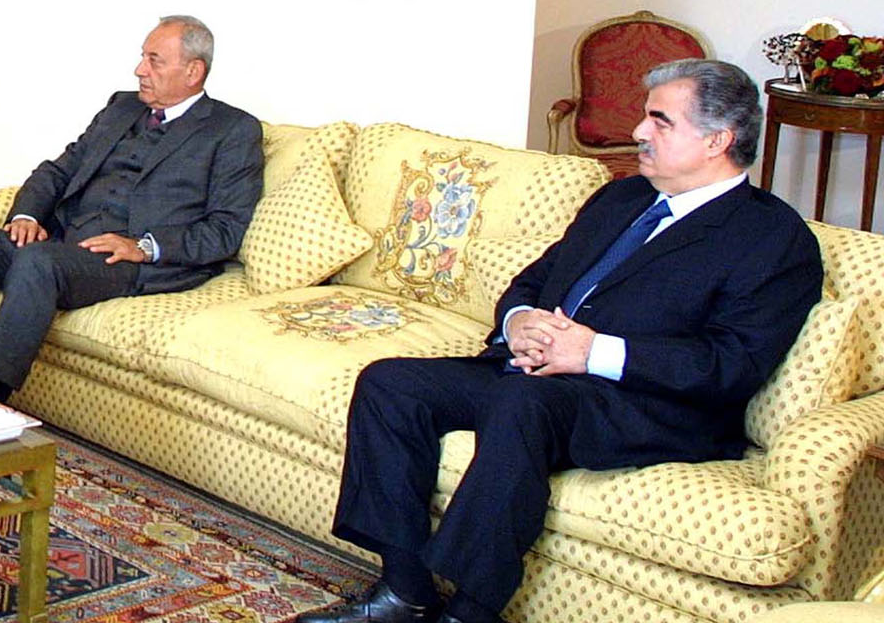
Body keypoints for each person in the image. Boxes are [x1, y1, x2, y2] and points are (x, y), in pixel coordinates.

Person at [300, 59, 821, 623]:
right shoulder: (621, 199)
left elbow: (732, 363)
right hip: (535, 375)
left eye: (660, 122)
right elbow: (534, 279)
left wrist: (591, 351)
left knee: (520, 400)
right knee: (392, 383)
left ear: (718, 139)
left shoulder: (772, 238)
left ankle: (472, 610)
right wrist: (519, 321)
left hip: (646, 404)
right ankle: (405, 588)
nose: (639, 133)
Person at [0, 14, 262, 402]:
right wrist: (27, 216)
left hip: (126, 263)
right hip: (62, 241)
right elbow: (59, 169)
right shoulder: (122, 107)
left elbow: (226, 228)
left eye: (155, 60)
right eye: (142, 57)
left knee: (39, 263)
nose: (140, 70)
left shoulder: (232, 131)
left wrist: (145, 246)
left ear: (193, 71)